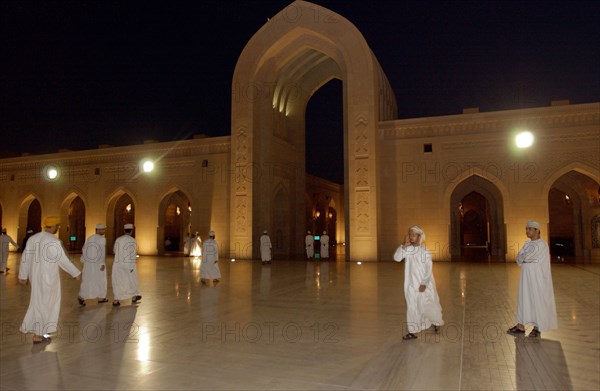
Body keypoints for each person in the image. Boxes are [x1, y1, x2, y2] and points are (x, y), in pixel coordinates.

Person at [18, 216, 81, 344]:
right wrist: (75, 272)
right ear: (53, 226)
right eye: (57, 226)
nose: (58, 228)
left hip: (35, 276)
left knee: (38, 302)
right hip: (48, 278)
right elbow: (62, 259)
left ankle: (39, 332)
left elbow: (25, 257)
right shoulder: (53, 241)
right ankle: (38, 334)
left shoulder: (33, 238)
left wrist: (23, 275)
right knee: (46, 303)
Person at [507, 220, 557, 338]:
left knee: (537, 301)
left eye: (529, 229)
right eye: (526, 229)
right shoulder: (527, 244)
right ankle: (520, 326)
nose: (527, 231)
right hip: (525, 279)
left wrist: (524, 257)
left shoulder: (542, 245)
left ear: (537, 230)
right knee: (524, 300)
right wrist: (523, 258)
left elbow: (527, 257)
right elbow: (519, 258)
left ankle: (537, 327)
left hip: (537, 280)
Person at [393, 225, 444, 340]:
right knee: (412, 306)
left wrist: (424, 283)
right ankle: (412, 331)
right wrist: (403, 246)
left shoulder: (425, 251)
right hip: (411, 285)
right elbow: (397, 258)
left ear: (419, 236)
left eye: (413, 235)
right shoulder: (408, 249)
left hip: (424, 285)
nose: (411, 237)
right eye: (409, 234)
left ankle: (435, 321)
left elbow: (428, 268)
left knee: (428, 303)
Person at [78, 224, 108, 306]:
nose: (104, 231)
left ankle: (81, 297)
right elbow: (101, 252)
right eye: (103, 230)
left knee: (87, 280)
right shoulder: (102, 239)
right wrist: (102, 263)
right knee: (100, 281)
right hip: (98, 264)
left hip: (88, 264)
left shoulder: (90, 238)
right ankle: (101, 298)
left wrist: (83, 259)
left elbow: (84, 249)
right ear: (98, 230)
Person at [112, 223, 141, 306]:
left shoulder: (118, 239)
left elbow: (114, 250)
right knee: (131, 281)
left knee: (118, 282)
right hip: (128, 264)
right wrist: (131, 266)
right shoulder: (132, 240)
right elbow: (133, 253)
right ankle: (134, 296)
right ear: (132, 231)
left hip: (117, 264)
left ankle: (116, 300)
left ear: (124, 230)